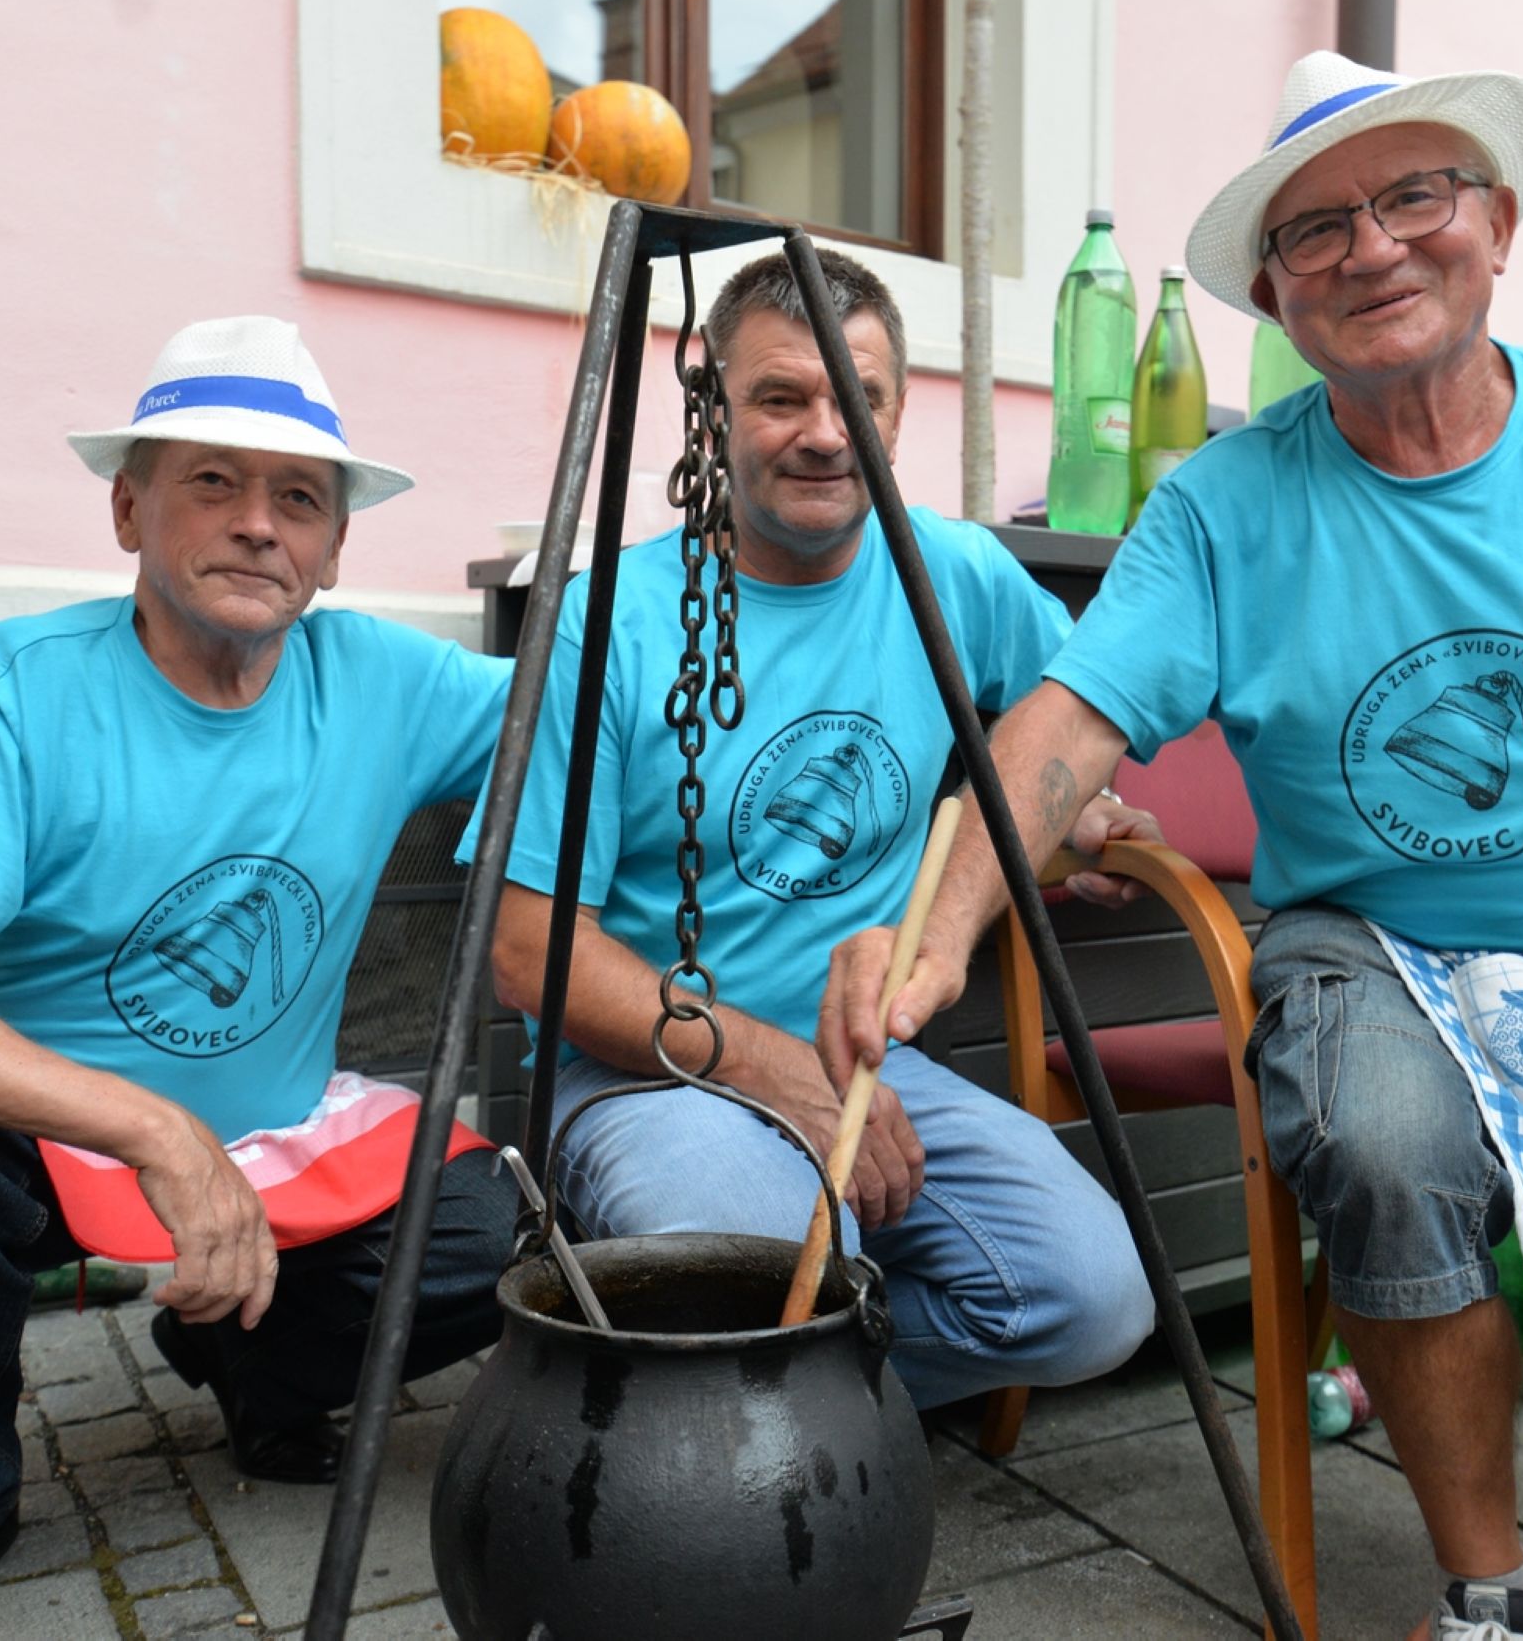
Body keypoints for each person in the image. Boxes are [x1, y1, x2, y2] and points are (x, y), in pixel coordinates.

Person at [820, 52, 1523, 1641]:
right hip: (1368, 940)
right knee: (1383, 1138)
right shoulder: (1224, 503)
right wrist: (936, 932)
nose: (1370, 249)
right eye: (1314, 234)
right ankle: (1493, 1594)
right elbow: (1064, 732)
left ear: (1495, 224)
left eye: (1413, 196)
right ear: (1275, 298)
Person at [0, 316, 520, 1641]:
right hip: (30, 1148)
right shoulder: (23, 685)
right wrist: (150, 1127)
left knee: (482, 1235)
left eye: (299, 497)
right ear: (129, 510)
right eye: (212, 484)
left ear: (336, 544)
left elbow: (594, 705)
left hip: (278, 1139)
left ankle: (250, 1363)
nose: (259, 525)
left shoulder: (388, 681)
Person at [474, 248, 1156, 1412]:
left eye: (860, 396)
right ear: (714, 412)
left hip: (875, 1068)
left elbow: (1066, 733)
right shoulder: (610, 622)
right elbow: (526, 944)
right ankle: (749, 1418)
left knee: (1095, 1300)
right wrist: (774, 1070)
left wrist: (1072, 819)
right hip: (646, 1075)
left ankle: (786, 1403)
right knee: (777, 1261)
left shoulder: (953, 573)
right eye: (783, 396)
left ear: (897, 414)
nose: (826, 433)